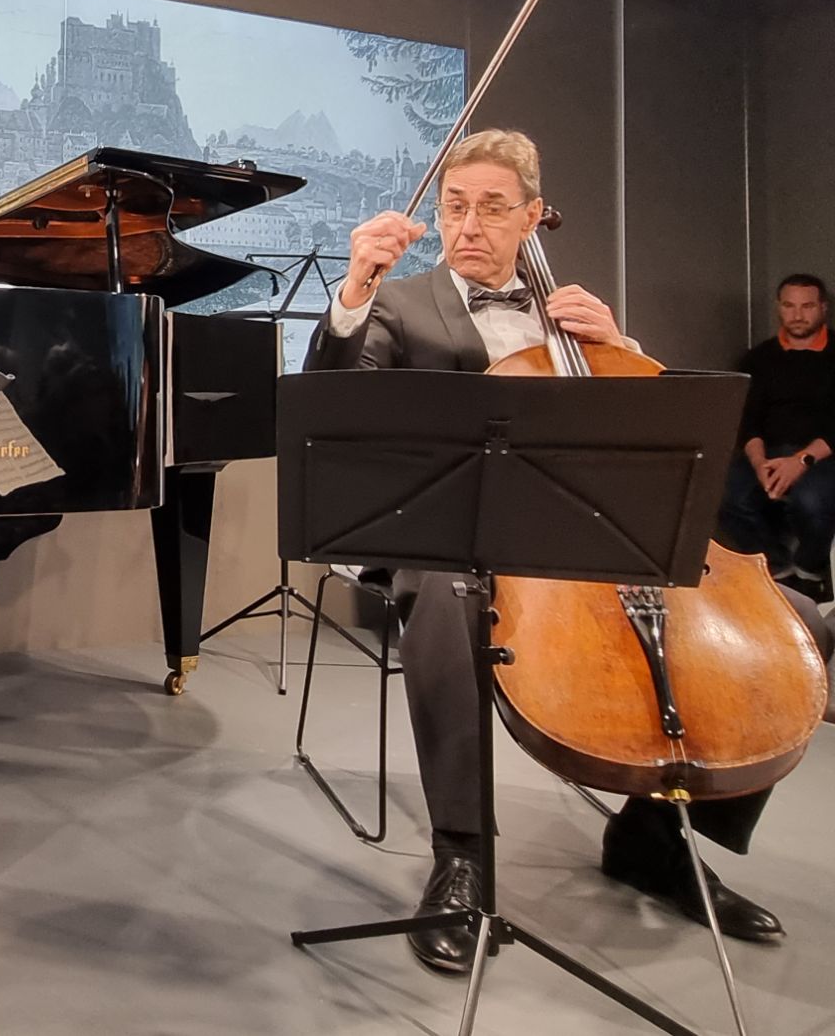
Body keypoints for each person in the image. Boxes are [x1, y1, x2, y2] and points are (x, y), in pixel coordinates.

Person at [306, 128, 832, 977]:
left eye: (493, 208)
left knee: (800, 621)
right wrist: (354, 292)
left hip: (587, 540)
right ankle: (462, 856)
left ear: (534, 216)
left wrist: (621, 351)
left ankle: (654, 840)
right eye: (454, 206)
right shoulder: (400, 307)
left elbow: (653, 445)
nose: (468, 225)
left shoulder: (575, 313)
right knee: (442, 596)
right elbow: (331, 403)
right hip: (460, 537)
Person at [719, 274, 835, 603]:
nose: (797, 315)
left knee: (812, 502)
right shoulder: (758, 358)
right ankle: (778, 570)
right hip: (767, 451)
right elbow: (747, 421)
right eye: (789, 306)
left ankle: (810, 571)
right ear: (778, 308)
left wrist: (801, 461)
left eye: (807, 306)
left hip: (822, 454)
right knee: (728, 496)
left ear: (823, 308)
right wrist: (759, 464)